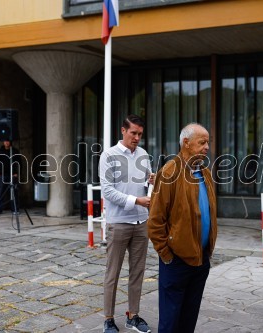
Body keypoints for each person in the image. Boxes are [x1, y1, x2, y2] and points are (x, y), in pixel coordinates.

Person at [148, 123, 218, 333]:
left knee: (189, 319)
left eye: (208, 142)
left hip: (200, 259)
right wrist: (166, 253)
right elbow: (155, 220)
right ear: (186, 143)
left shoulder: (205, 172)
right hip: (176, 261)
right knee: (170, 322)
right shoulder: (170, 171)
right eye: (202, 142)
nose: (207, 147)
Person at [99, 114, 154, 333]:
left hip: (141, 222)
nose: (137, 138)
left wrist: (152, 179)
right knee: (112, 273)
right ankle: (108, 319)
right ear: (123, 131)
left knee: (137, 272)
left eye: (140, 134)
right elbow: (108, 191)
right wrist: (136, 201)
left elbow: (144, 182)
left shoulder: (143, 154)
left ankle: (134, 316)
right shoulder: (109, 155)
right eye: (133, 133)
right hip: (119, 222)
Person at [0, 140, 21, 214]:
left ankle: (15, 209)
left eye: (8, 141)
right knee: (1, 192)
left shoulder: (15, 151)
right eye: (5, 141)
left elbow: (19, 162)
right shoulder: (0, 151)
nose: (6, 143)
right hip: (2, 174)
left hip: (12, 174)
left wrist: (16, 172)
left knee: (13, 192)